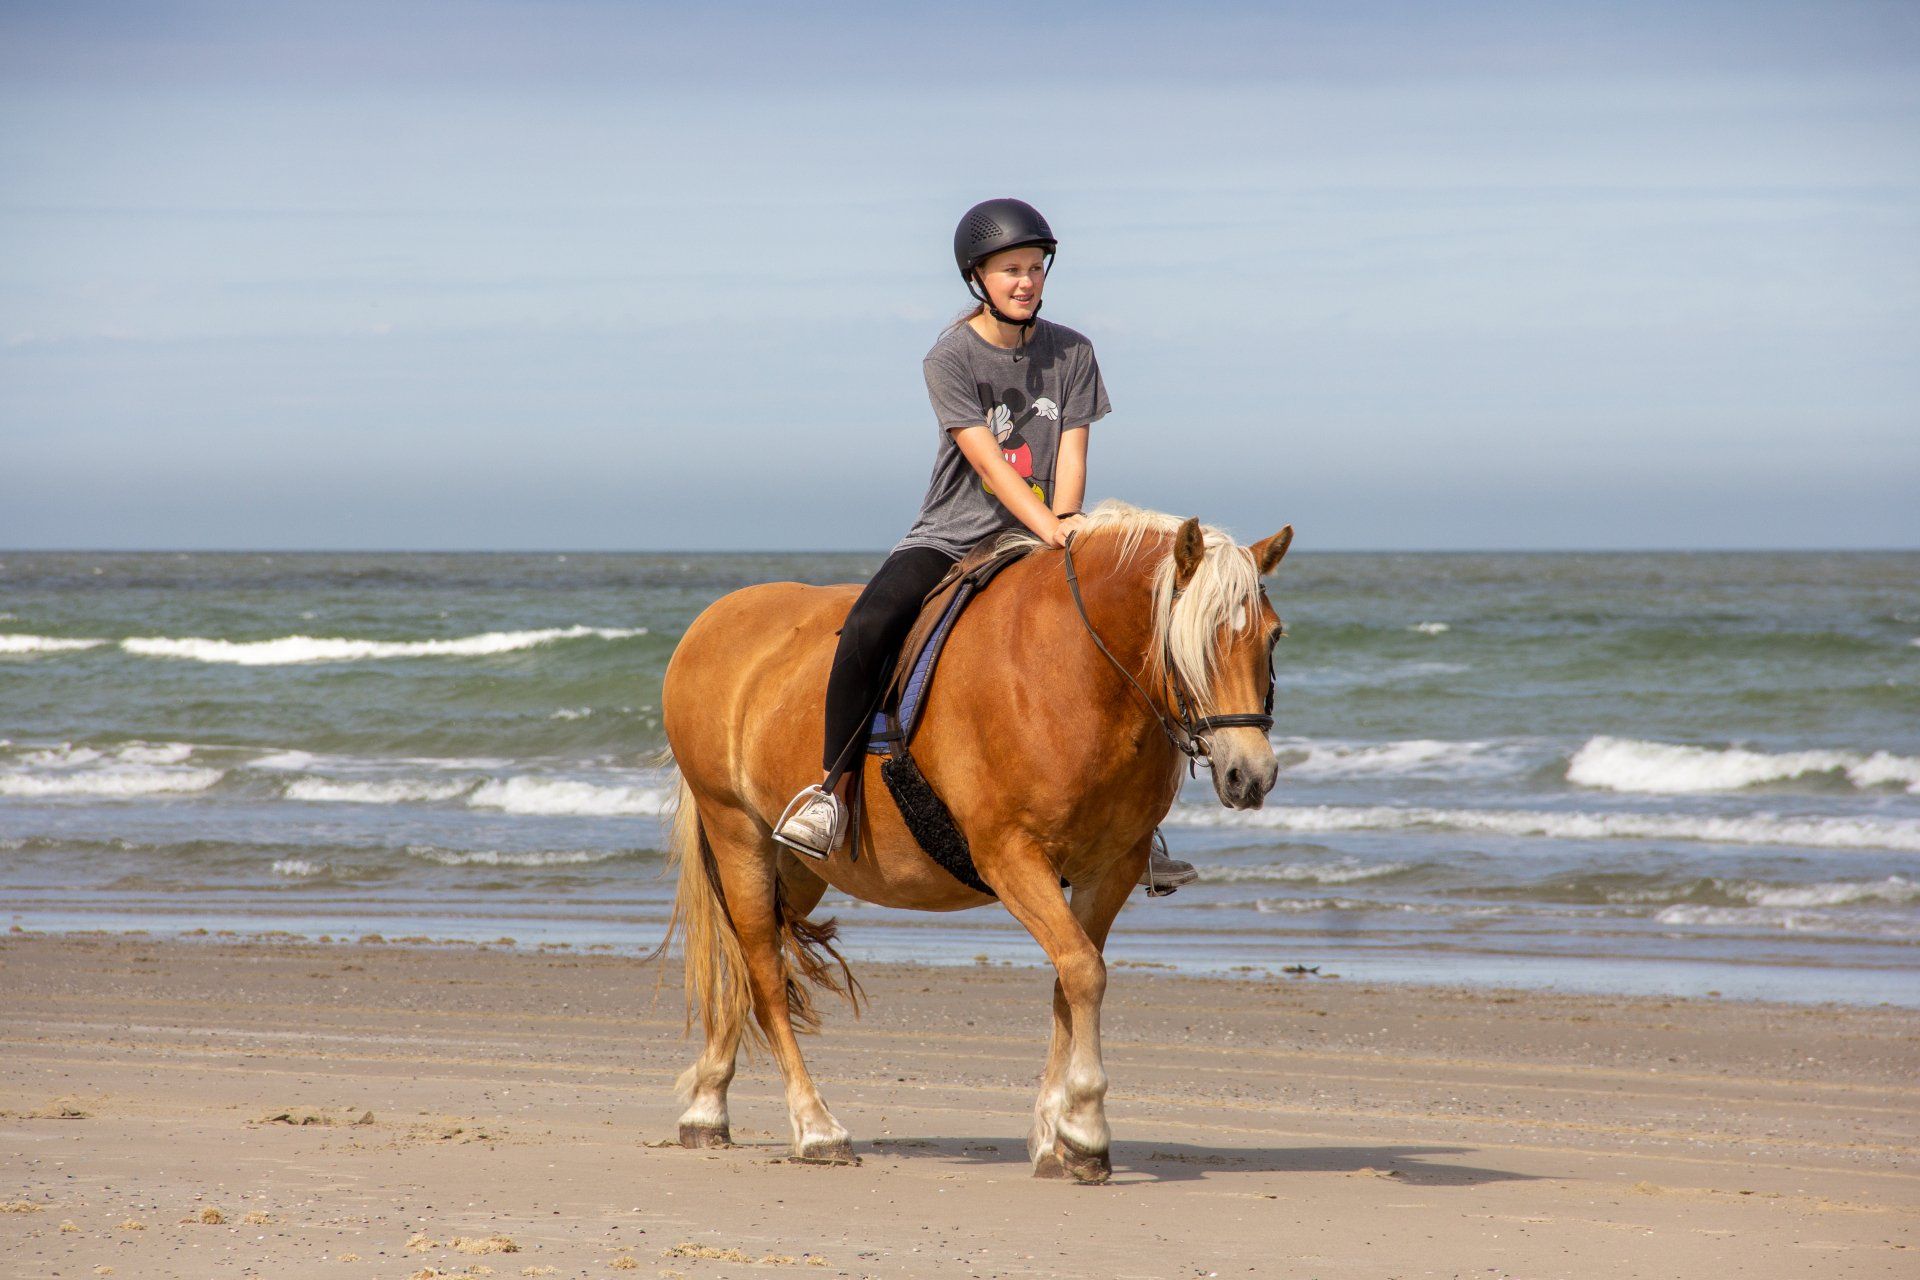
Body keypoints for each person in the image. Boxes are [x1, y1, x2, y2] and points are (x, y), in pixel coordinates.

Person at [772, 197, 1198, 895]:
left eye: (1035, 268)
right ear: (978, 277)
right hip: (953, 537)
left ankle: (1135, 832)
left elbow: (1074, 452)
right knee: (870, 627)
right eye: (1011, 270)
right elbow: (990, 466)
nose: (1026, 281)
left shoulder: (1075, 353)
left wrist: (1067, 527)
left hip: (1050, 534)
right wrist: (1047, 526)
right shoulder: (950, 356)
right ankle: (832, 795)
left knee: (1123, 645)